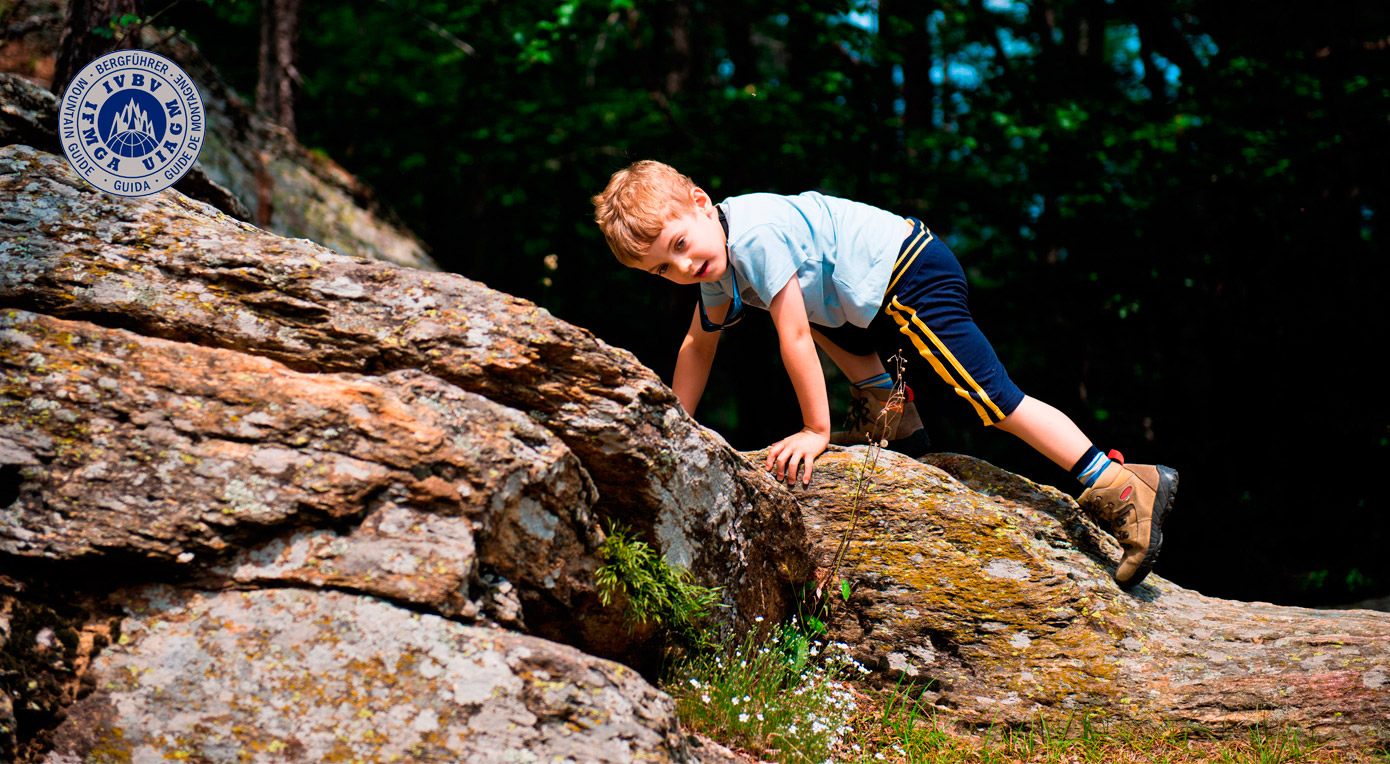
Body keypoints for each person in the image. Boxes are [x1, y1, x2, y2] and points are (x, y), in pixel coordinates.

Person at [591, 160, 1178, 589]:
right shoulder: (718, 265)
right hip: (859, 299)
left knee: (993, 400)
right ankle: (890, 415)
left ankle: (1121, 485)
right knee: (796, 307)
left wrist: (815, 431)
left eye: (680, 246)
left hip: (908, 272)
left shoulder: (753, 234)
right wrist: (674, 429)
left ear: (699, 201)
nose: (684, 267)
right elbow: (698, 343)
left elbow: (793, 335)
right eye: (663, 269)